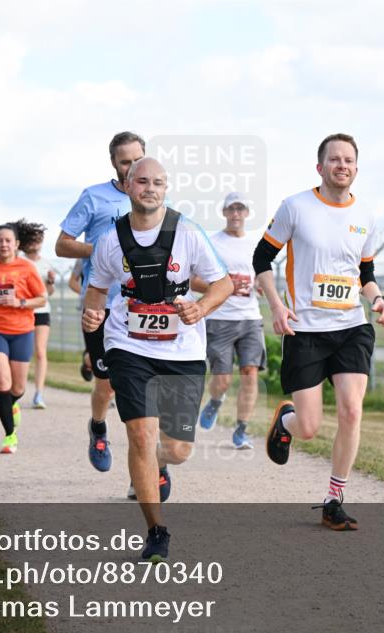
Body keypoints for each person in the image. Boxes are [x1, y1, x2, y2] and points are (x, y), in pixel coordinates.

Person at [83, 157, 232, 561]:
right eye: (142, 181)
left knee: (177, 450)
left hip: (182, 350)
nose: (149, 188)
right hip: (129, 345)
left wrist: (200, 309)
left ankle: (157, 466)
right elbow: (97, 289)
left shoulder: (188, 233)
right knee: (141, 436)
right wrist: (94, 313)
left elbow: (223, 283)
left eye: (158, 183)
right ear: (128, 186)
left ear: (166, 189)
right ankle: (156, 531)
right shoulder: (111, 240)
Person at [253, 133, 384, 531]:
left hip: (351, 326)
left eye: (349, 160)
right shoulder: (295, 207)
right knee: (310, 428)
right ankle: (286, 422)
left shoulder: (365, 216)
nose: (342, 165)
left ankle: (334, 498)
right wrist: (277, 306)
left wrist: (378, 299)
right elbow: (261, 258)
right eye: (335, 159)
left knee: (352, 409)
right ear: (320, 167)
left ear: (356, 168)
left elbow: (365, 273)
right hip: (305, 331)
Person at [56, 131, 146, 473]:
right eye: (125, 161)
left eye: (137, 159)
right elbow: (62, 245)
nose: (132, 167)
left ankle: (145, 470)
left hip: (141, 307)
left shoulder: (154, 198)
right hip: (100, 304)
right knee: (106, 386)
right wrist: (102, 251)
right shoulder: (93, 197)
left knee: (141, 389)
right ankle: (98, 427)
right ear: (114, 163)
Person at [194, 192, 266, 450]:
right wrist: (226, 286)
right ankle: (215, 400)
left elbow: (261, 277)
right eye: (231, 209)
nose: (236, 214)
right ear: (224, 212)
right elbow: (193, 280)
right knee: (222, 379)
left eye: (241, 209)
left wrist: (257, 284)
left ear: (247, 213)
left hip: (250, 318)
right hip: (220, 318)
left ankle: (241, 430)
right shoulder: (212, 243)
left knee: (250, 373)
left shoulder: (256, 245)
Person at [0, 220, 48, 453]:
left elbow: (42, 298)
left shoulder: (26, 269)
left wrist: (20, 302)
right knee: (2, 383)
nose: (3, 244)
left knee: (18, 388)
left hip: (22, 331)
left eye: (8, 241)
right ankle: (9, 435)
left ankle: (12, 404)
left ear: (16, 244)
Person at [20, 232, 57, 409]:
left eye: (38, 240)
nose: (35, 243)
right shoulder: (19, 261)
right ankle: (16, 389)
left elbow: (48, 293)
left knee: (40, 352)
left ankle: (38, 393)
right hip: (21, 310)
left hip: (41, 311)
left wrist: (50, 282)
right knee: (23, 352)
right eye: (31, 239)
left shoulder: (46, 264)